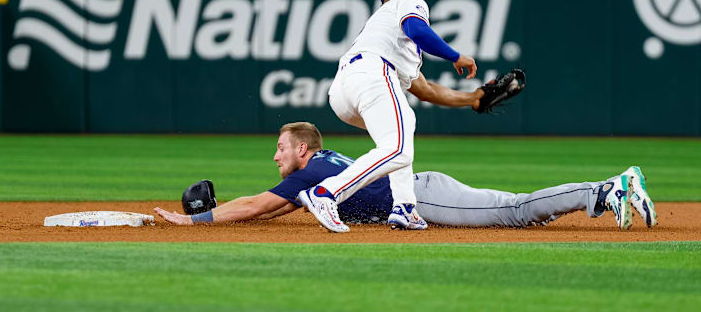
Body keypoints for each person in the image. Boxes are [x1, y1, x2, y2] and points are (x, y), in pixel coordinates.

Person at [154, 122, 658, 231]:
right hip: (421, 189)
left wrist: (197, 222)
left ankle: (608, 187)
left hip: (423, 195)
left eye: (281, 148)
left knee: (516, 209)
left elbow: (260, 203)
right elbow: (278, 202)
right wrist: (242, 216)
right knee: (513, 210)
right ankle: (602, 190)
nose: (276, 156)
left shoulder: (309, 173)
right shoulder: (321, 172)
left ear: (303, 149)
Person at [295, 0, 486, 233]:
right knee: (399, 149)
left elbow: (427, 90)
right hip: (372, 75)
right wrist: (456, 55)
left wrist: (473, 98)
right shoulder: (408, 1)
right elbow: (417, 29)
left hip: (343, 91)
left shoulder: (383, 33)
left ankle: (405, 207)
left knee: (402, 129)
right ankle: (326, 192)